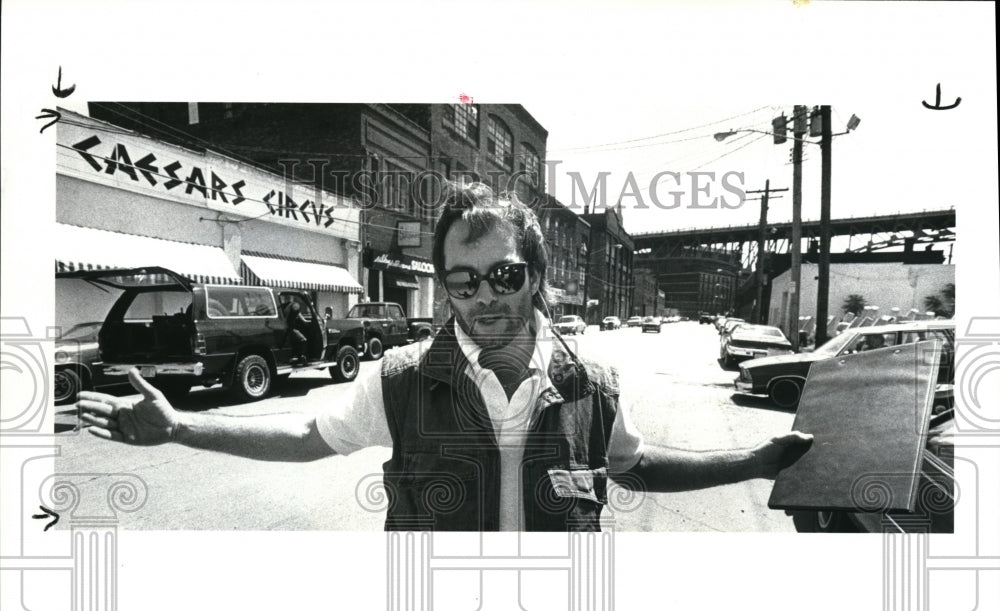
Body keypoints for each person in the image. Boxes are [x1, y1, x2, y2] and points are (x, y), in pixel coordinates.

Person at [78, 183, 812, 532]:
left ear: (535, 274)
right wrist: (181, 427)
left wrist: (753, 461)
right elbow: (308, 437)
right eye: (463, 280)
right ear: (445, 285)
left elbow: (635, 464)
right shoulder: (399, 380)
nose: (484, 295)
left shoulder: (590, 384)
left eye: (505, 275)